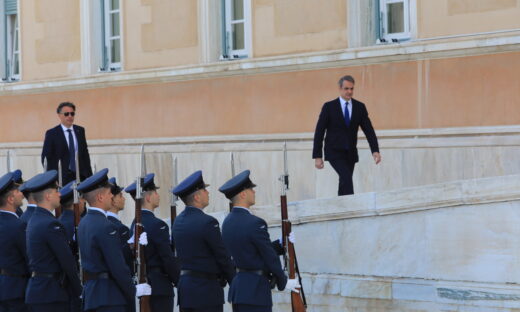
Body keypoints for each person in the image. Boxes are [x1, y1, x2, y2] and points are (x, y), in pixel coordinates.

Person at [220, 170, 300, 312]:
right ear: (243, 194)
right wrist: (284, 281)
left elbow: (250, 250)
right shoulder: (255, 223)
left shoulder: (227, 222)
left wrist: (281, 243)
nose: (254, 192)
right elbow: (268, 256)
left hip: (239, 291)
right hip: (256, 292)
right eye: (251, 189)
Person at [77, 169, 151, 312]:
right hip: (109, 298)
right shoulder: (106, 226)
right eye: (109, 193)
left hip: (93, 296)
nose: (112, 196)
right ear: (100, 197)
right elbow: (117, 266)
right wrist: (133, 290)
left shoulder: (84, 222)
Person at [172, 171, 235, 312]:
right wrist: (234, 283)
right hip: (206, 293)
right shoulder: (207, 222)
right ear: (197, 197)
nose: (208, 193)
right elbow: (222, 256)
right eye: (204, 190)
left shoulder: (178, 221)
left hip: (187, 292)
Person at [312, 75, 381, 196]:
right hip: (334, 152)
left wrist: (375, 150)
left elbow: (368, 130)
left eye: (352, 89)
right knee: (347, 178)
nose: (349, 92)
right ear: (340, 88)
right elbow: (319, 131)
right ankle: (352, 207)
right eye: (346, 88)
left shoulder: (360, 107)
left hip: (350, 153)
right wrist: (318, 156)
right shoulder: (329, 107)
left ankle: (341, 210)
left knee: (344, 182)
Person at [24, 170, 83, 312]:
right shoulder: (51, 224)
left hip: (40, 292)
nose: (60, 194)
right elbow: (67, 262)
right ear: (48, 195)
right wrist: (80, 291)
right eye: (57, 190)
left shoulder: (35, 219)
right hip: (51, 294)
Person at [125, 173, 179, 312]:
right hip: (160, 287)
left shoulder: (134, 224)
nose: (158, 195)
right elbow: (167, 257)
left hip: (144, 284)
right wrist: (178, 279)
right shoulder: (158, 225)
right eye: (155, 192)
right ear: (148, 197)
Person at [41, 102, 93, 185]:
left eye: (72, 114)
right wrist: (52, 178)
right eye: (66, 114)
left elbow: (85, 154)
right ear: (59, 115)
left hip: (80, 176)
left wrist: (89, 176)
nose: (70, 116)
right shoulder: (52, 133)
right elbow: (46, 157)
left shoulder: (80, 130)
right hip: (62, 178)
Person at [0, 172, 30, 312]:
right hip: (16, 289)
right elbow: (29, 257)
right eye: (17, 191)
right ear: (11, 199)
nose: (21, 193)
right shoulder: (17, 225)